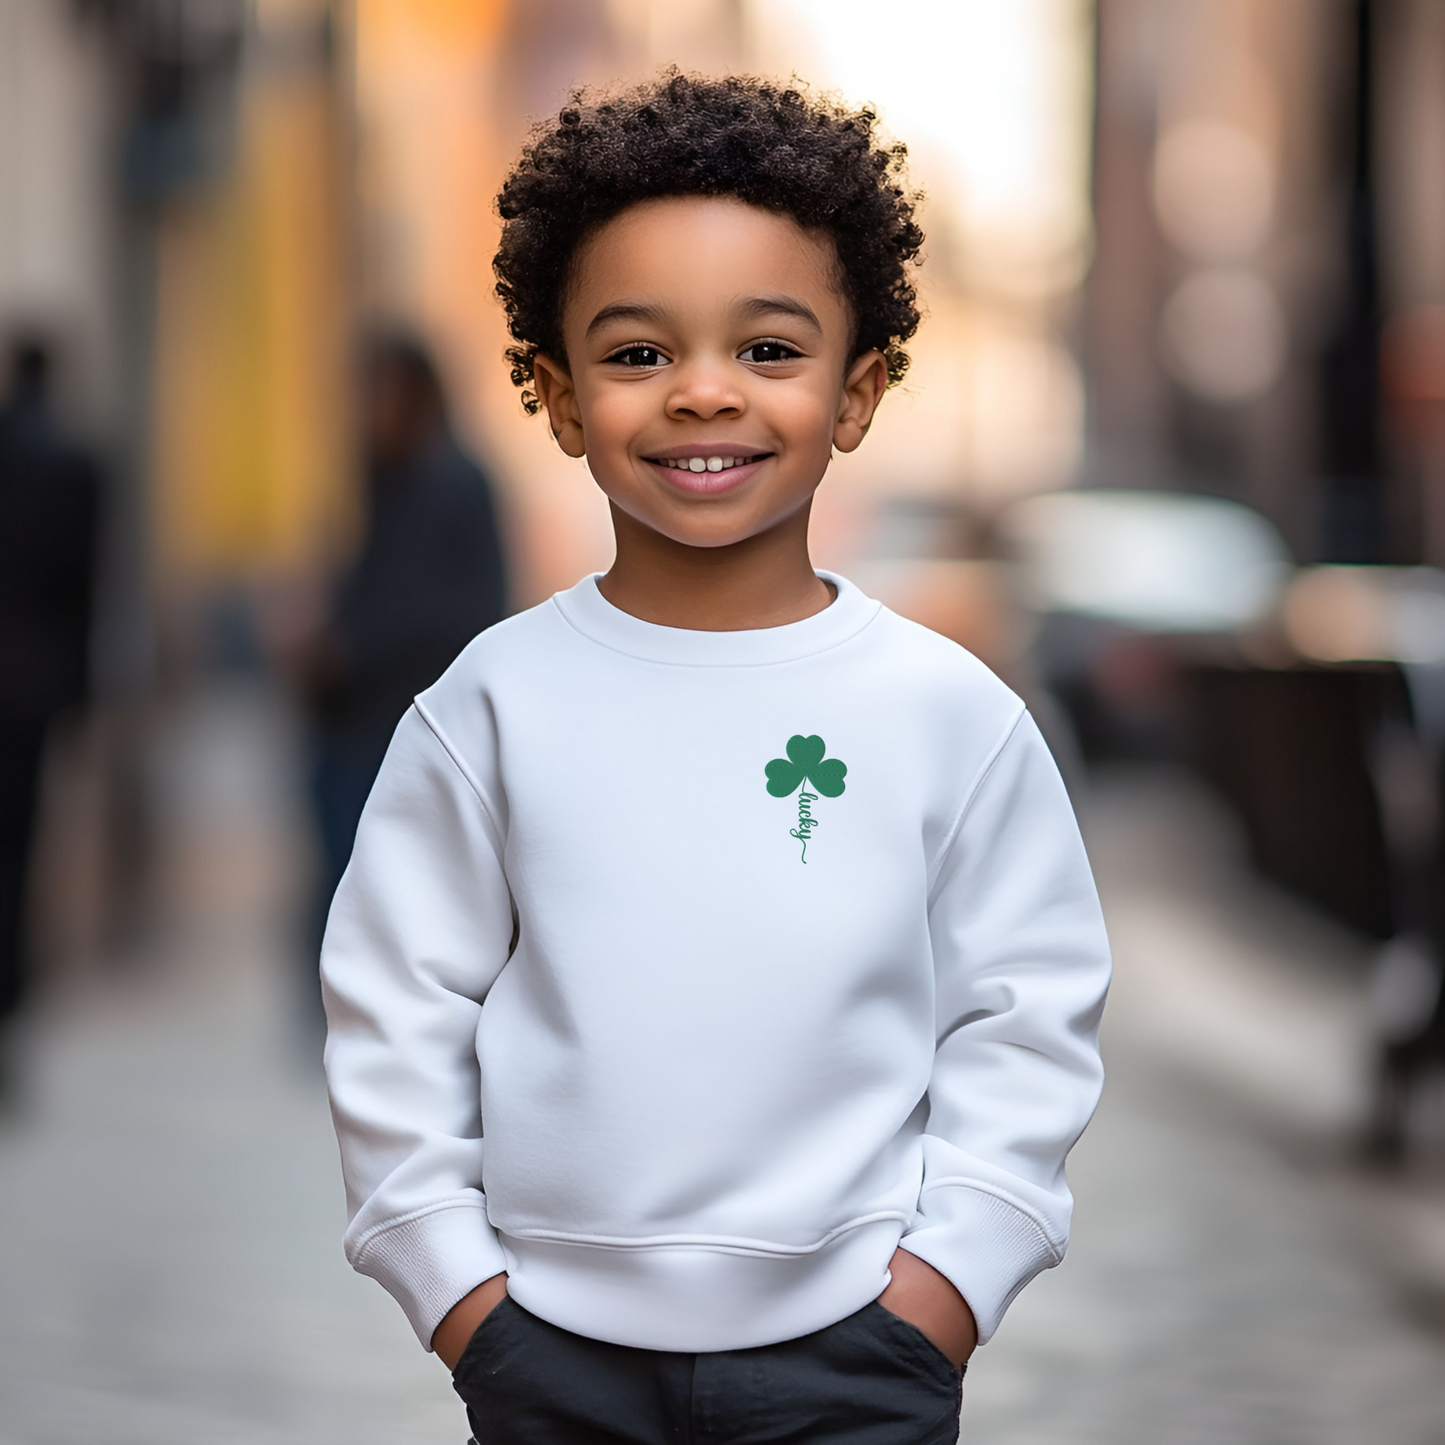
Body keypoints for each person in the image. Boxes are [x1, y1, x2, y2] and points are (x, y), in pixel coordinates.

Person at [321, 73, 1111, 1444]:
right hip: (548, 1357)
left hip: (861, 1354)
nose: (700, 393)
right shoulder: (490, 707)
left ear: (857, 391)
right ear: (558, 399)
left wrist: (945, 1283)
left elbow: (1027, 1012)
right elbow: (396, 1006)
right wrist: (464, 1298)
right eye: (636, 354)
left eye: (768, 349)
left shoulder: (944, 712)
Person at [301, 333, 507, 961]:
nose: (365, 408)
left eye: (378, 391)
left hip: (406, 722)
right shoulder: (380, 480)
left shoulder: (454, 483)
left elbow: (464, 610)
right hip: (351, 720)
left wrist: (350, 647)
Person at [0, 339, 100, 1036]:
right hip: (35, 686)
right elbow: (86, 587)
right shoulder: (74, 463)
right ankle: (13, 994)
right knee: (19, 845)